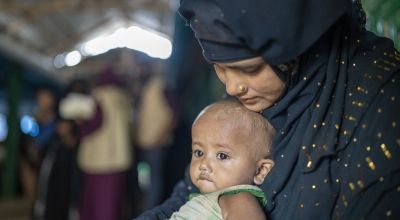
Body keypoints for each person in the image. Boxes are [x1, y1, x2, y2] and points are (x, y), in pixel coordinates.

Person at [136, 0, 400, 219]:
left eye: (250, 69)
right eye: (218, 66)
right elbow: (189, 196)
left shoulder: (379, 98)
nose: (232, 87)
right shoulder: (251, 103)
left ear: (297, 48)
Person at [169, 100, 275, 219]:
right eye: (199, 153)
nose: (203, 164)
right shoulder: (212, 199)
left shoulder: (238, 198)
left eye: (222, 156)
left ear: (260, 171)